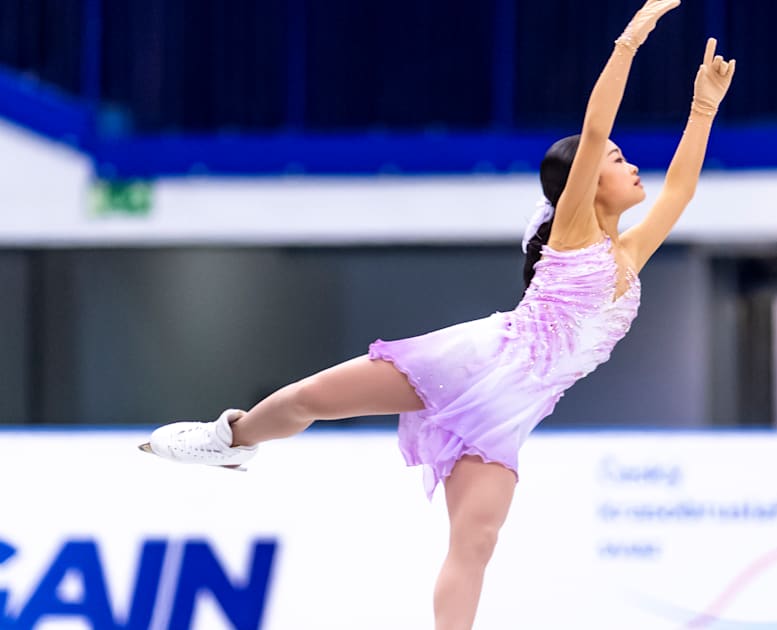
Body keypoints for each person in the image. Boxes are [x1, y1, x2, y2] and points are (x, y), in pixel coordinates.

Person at [140, 1, 734, 628]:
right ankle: (226, 438)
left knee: (475, 545)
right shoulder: (574, 231)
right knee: (309, 399)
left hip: (516, 408)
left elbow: (682, 190)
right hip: (476, 358)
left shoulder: (629, 254)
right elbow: (592, 132)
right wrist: (630, 39)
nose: (630, 162)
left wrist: (704, 107)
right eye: (617, 160)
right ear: (584, 188)